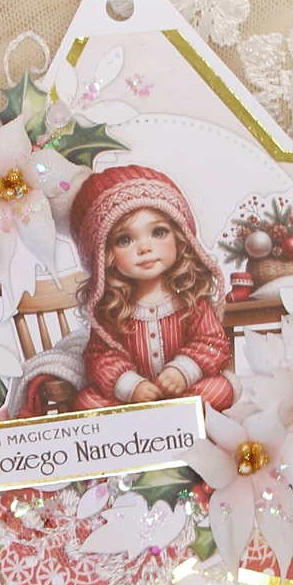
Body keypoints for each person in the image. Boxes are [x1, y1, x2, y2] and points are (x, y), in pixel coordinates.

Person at [69, 164, 234, 411]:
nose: (145, 248)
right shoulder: (111, 307)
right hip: (133, 399)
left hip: (184, 390)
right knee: (87, 402)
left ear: (180, 237)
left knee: (219, 390)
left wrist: (183, 370)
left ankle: (168, 417)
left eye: (158, 232)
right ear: (104, 255)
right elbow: (100, 357)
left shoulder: (189, 298)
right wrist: (130, 385)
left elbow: (213, 342)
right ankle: (152, 421)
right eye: (125, 239)